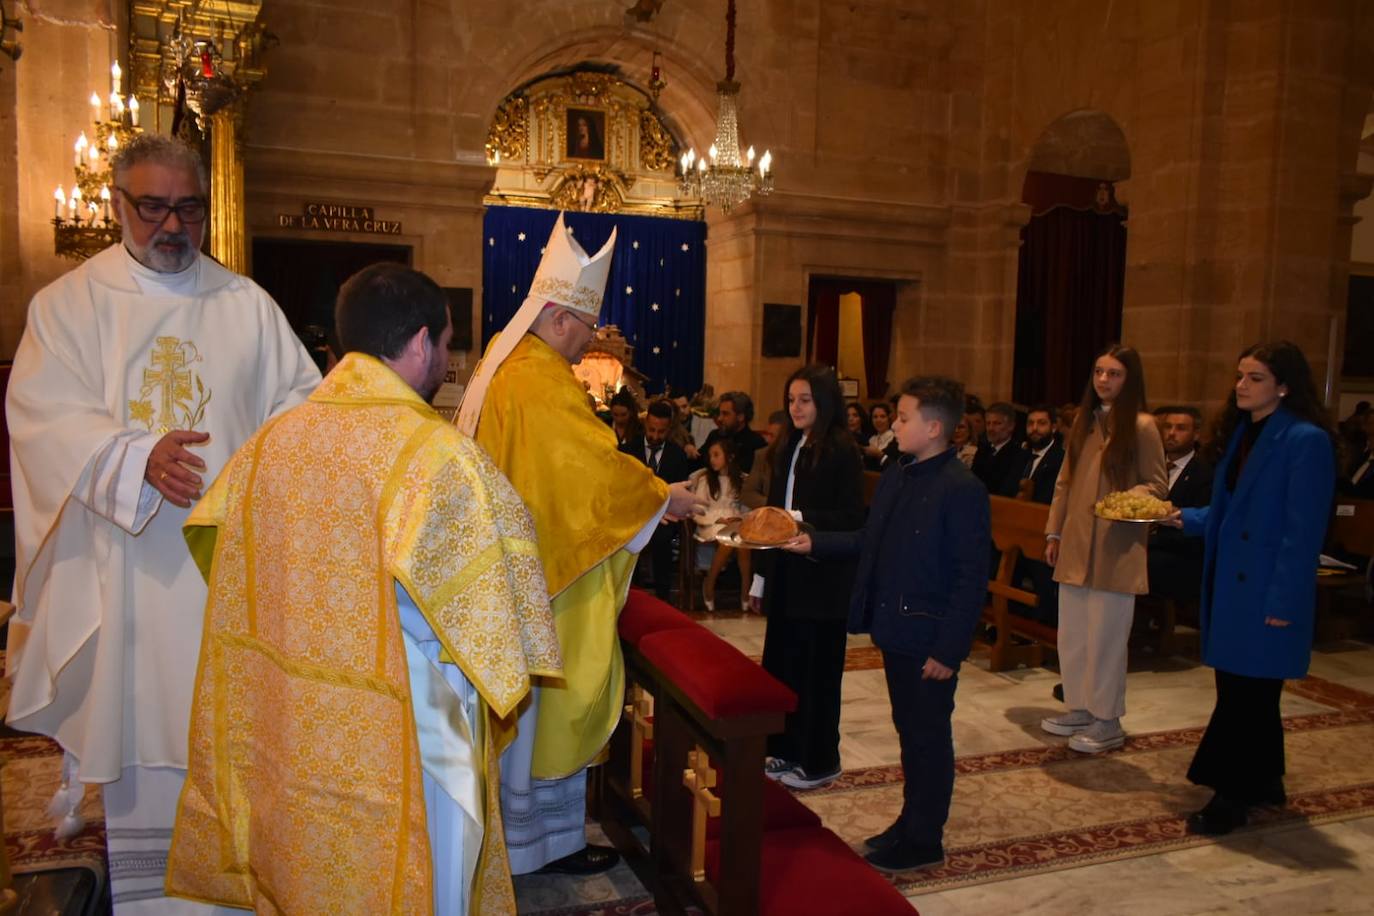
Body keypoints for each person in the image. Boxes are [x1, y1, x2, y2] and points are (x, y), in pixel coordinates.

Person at [165, 263, 561, 914]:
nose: (447, 358)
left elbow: (225, 563)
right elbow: (496, 636)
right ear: (421, 344)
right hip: (406, 742)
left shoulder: (267, 446)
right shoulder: (439, 457)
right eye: (448, 343)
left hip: (294, 728)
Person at [4, 134, 320, 912]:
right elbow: (41, 415)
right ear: (116, 204)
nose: (171, 225)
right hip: (132, 572)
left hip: (227, 575)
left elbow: (301, 407)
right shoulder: (69, 306)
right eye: (152, 208)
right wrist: (134, 458)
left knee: (235, 741)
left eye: (187, 208)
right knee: (147, 734)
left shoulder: (246, 305)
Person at [455, 213, 702, 875]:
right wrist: (664, 497)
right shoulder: (537, 380)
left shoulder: (504, 365)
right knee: (547, 714)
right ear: (562, 316)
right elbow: (587, 470)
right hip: (546, 578)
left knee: (526, 719)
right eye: (589, 326)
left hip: (514, 569)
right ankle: (540, 845)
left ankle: (531, 841)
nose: (593, 339)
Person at [784, 376, 989, 872]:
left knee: (927, 735)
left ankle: (925, 838)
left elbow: (970, 577)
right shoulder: (900, 474)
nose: (894, 425)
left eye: (903, 418)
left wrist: (949, 650)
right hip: (895, 629)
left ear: (934, 427)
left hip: (929, 635)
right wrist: (816, 543)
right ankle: (910, 821)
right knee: (908, 730)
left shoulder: (962, 489)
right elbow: (868, 539)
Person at [1160, 342, 1337, 835]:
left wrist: (1283, 601)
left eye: (1254, 377)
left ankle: (1230, 796)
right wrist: (1180, 516)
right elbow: (1232, 514)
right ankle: (1265, 781)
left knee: (1245, 698)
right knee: (1248, 692)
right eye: (1240, 375)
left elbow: (1302, 533)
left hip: (1265, 591)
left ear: (1283, 385)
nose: (1241, 385)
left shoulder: (1305, 441)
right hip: (1232, 585)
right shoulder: (1244, 433)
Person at [1040, 344, 1167, 753]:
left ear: (1129, 380)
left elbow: (1157, 484)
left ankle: (1107, 719)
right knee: (1073, 634)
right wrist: (1053, 533)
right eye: (1098, 372)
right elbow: (1064, 482)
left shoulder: (1143, 426)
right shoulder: (1083, 421)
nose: (1103, 381)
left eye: (1113, 374)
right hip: (1076, 541)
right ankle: (1078, 705)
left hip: (1116, 544)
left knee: (1107, 637)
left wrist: (1122, 500)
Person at [754, 365, 865, 790]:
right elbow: (770, 511)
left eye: (804, 400)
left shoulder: (841, 449)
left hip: (821, 581)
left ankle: (820, 759)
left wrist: (799, 520)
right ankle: (784, 748)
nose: (795, 407)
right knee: (784, 666)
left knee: (818, 674)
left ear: (823, 403)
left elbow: (851, 518)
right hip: (786, 575)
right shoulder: (787, 444)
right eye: (791, 400)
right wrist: (760, 579)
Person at [620, 399, 692, 601]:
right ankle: (632, 594)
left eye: (661, 432)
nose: (655, 436)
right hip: (634, 516)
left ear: (668, 429)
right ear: (645, 425)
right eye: (651, 430)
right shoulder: (628, 451)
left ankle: (663, 597)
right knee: (629, 539)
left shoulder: (676, 455)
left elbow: (680, 492)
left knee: (663, 539)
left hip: (665, 516)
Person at [1147, 406, 1214, 604]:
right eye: (1167, 427)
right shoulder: (1152, 464)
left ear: (1196, 434)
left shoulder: (1205, 472)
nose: (1171, 433)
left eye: (1181, 428)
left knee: (1140, 563)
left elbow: (1199, 532)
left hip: (1181, 554)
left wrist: (1149, 541)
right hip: (1148, 544)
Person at [690, 439, 750, 611]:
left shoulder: (740, 479)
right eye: (710, 456)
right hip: (712, 522)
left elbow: (745, 507)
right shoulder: (705, 480)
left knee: (744, 544)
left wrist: (739, 518)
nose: (712, 460)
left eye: (717, 455)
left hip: (734, 522)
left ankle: (746, 590)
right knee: (727, 542)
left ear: (729, 457)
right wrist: (716, 520)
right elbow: (698, 508)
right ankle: (709, 584)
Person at [972, 401, 1028, 497]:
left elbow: (1007, 490)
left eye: (997, 423)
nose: (990, 428)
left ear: (1011, 426)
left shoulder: (1018, 454)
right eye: (988, 423)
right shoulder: (983, 450)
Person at [702, 391, 767, 473]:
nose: (719, 418)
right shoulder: (715, 436)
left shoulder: (756, 443)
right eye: (720, 413)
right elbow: (699, 462)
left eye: (725, 414)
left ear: (740, 417)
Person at [1021, 404, 1065, 505]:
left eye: (1041, 423)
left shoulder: (1061, 460)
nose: (1034, 428)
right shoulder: (1019, 455)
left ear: (1053, 428)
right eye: (1030, 423)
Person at [863, 402, 895, 470]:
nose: (878, 420)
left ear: (889, 419)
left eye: (882, 416)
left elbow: (894, 466)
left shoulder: (895, 439)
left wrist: (879, 454)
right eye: (875, 417)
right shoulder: (871, 439)